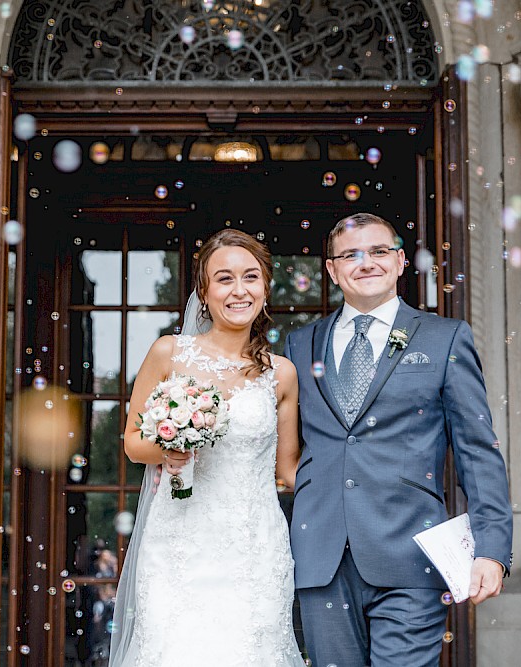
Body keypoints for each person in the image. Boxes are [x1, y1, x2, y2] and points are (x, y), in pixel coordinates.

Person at [284, 213, 513, 666]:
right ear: (331, 269)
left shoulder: (446, 338)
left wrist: (492, 549)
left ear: (401, 261)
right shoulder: (298, 346)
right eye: (350, 254)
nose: (365, 262)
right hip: (321, 559)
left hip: (411, 555)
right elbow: (281, 448)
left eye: (379, 251)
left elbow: (476, 452)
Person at [110, 229, 304, 666]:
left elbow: (288, 469)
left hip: (254, 544)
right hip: (179, 540)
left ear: (266, 287)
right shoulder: (168, 353)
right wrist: (169, 449)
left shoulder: (283, 375)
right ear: (204, 290)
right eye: (224, 279)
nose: (239, 290)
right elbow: (132, 443)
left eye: (251, 277)